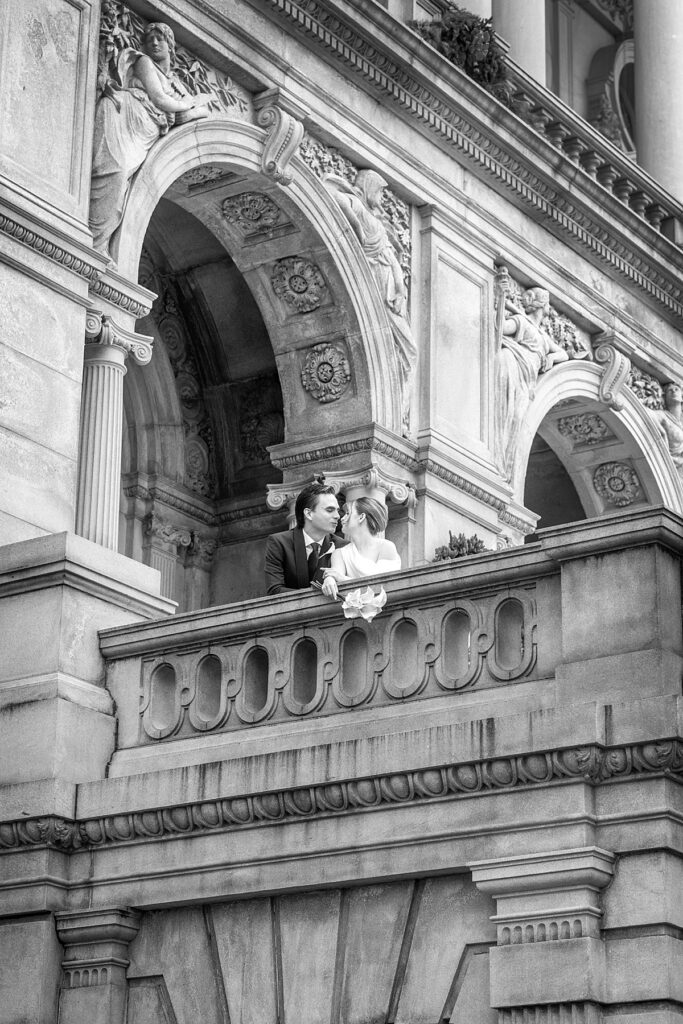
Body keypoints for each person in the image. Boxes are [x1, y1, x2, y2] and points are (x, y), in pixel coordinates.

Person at [89, 22, 214, 258]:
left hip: (144, 131)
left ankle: (97, 245)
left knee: (121, 182)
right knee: (113, 173)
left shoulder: (176, 84)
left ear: (170, 46)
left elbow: (195, 113)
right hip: (124, 116)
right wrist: (190, 106)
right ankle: (94, 243)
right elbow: (159, 99)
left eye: (160, 39)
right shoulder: (145, 63)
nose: (154, 43)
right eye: (149, 40)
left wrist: (192, 110)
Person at [496, 286, 568, 479]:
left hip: (528, 380)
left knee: (517, 418)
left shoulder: (543, 336)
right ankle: (498, 464)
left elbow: (563, 353)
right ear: (542, 305)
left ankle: (504, 466)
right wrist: (500, 301)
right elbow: (502, 328)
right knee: (508, 413)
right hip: (515, 368)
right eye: (547, 304)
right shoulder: (521, 321)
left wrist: (551, 358)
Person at [265, 482, 348, 595]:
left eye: (337, 510)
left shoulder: (343, 546)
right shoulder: (279, 543)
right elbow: (275, 590)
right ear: (308, 514)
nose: (337, 515)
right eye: (330, 510)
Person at [320, 497, 401, 600]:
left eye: (348, 513)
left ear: (361, 517)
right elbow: (335, 574)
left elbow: (385, 585)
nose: (342, 518)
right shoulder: (340, 553)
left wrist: (342, 578)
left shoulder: (386, 547)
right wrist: (329, 579)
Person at [650, 382, 683, 475]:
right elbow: (648, 414)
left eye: (676, 389)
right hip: (669, 465)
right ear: (665, 397)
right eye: (670, 390)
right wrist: (663, 433)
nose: (673, 391)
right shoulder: (663, 415)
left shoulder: (681, 422)